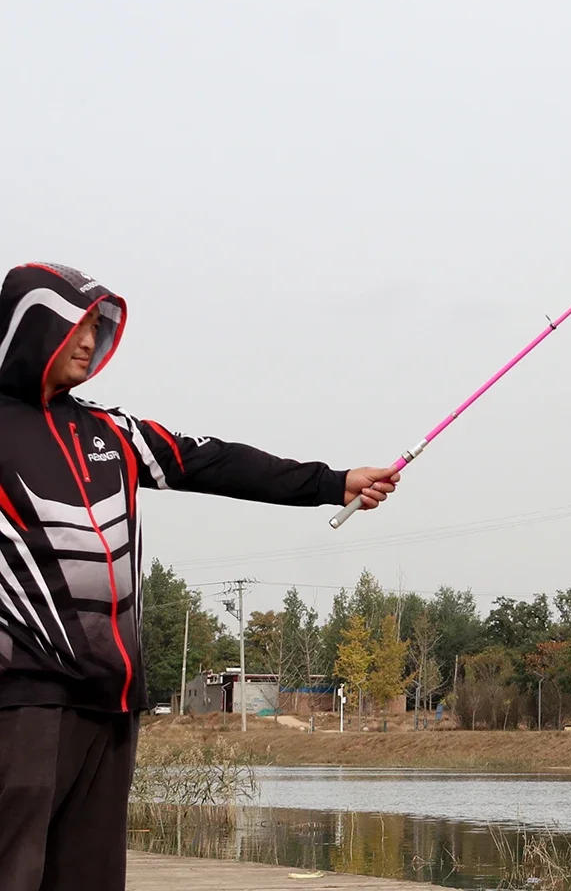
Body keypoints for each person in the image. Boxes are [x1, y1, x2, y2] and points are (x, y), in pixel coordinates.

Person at [0, 261, 399, 891]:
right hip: (23, 703)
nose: (87, 341)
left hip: (114, 707)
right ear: (31, 326)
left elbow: (216, 462)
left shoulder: (112, 432)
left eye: (96, 328)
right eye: (75, 324)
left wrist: (332, 482)